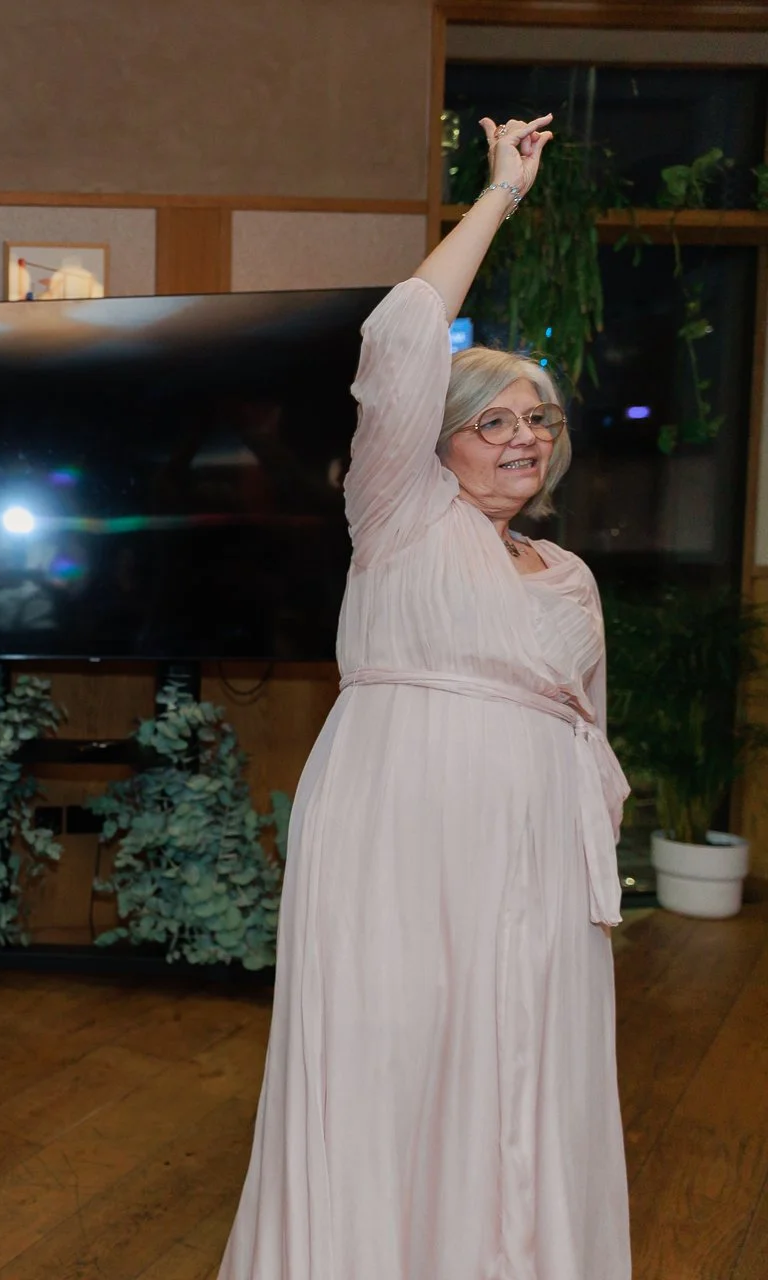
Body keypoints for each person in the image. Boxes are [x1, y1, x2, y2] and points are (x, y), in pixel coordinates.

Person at [219, 114, 632, 1280]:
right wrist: (499, 196)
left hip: (535, 868)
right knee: (391, 1057)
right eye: (493, 420)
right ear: (437, 443)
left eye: (539, 420)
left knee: (525, 1070)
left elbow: (593, 731)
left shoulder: (571, 575)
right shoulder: (399, 515)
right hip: (396, 834)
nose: (523, 438)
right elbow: (403, 331)